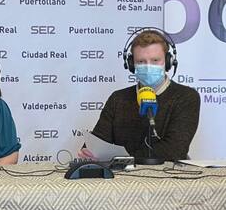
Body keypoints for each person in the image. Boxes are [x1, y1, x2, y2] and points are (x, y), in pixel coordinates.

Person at [83, 29, 200, 161]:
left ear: (168, 62)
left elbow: (174, 150)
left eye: (155, 60)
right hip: (122, 173)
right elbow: (99, 141)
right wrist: (90, 152)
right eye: (141, 61)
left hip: (168, 172)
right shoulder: (118, 99)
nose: (148, 67)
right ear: (131, 64)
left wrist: (125, 159)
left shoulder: (186, 97)